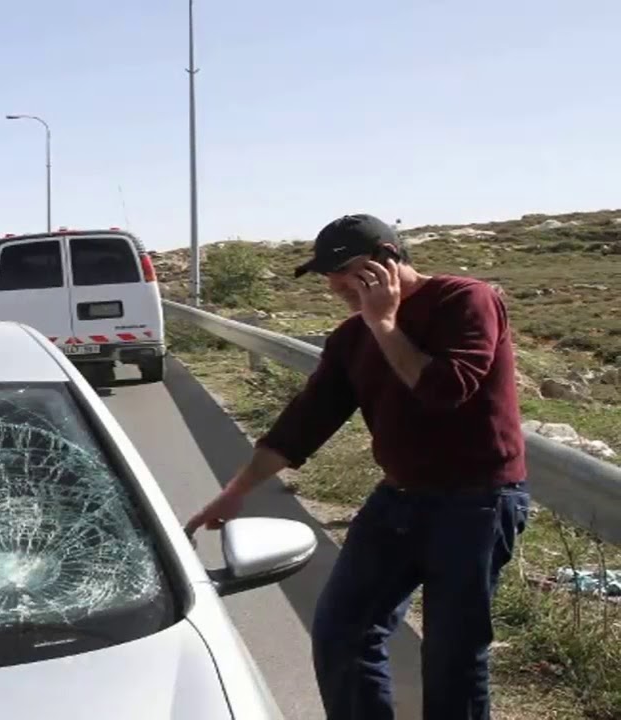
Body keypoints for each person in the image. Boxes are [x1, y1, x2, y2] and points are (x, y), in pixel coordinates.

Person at [185, 213, 530, 719]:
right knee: (342, 631)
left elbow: (446, 390)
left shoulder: (464, 300)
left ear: (388, 257)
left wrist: (385, 323)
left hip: (476, 502)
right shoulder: (352, 336)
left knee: (452, 656)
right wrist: (237, 490)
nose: (335, 285)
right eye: (328, 275)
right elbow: (306, 421)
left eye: (345, 270)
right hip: (399, 498)